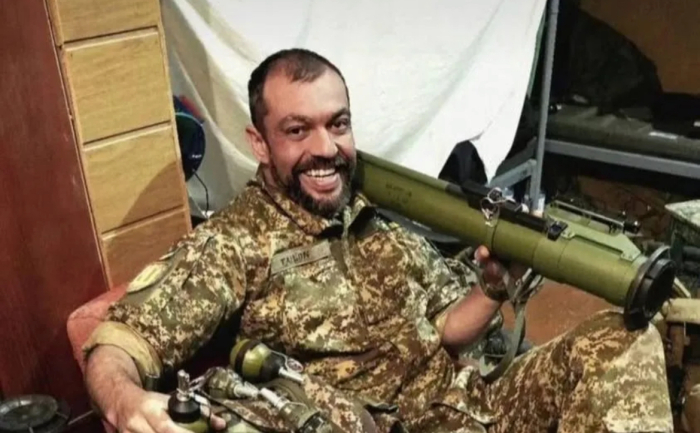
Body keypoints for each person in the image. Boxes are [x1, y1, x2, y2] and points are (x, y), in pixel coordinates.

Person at [83, 48, 673, 433]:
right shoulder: (235, 243)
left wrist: (493, 288)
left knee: (622, 339)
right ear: (260, 143)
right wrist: (124, 400)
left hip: (471, 407)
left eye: (337, 124)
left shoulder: (371, 216)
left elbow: (446, 329)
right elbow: (118, 342)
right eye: (297, 130)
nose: (325, 148)